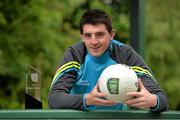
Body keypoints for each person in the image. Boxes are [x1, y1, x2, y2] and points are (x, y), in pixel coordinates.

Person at [48, 9, 168, 112]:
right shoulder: (75, 54)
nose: (94, 42)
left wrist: (152, 101)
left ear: (111, 34)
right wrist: (87, 99)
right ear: (82, 36)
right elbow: (54, 98)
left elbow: (162, 99)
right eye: (88, 36)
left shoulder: (125, 54)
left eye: (99, 35)